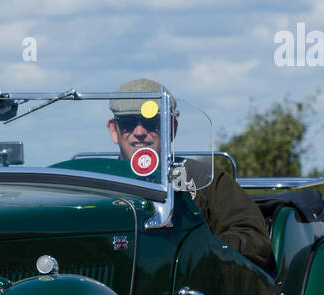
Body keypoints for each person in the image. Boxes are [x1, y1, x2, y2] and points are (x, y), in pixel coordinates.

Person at [108, 79, 271, 269]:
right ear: (114, 130)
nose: (140, 132)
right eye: (127, 123)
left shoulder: (205, 180)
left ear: (172, 128)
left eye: (152, 123)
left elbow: (253, 237)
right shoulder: (95, 183)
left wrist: (201, 252)